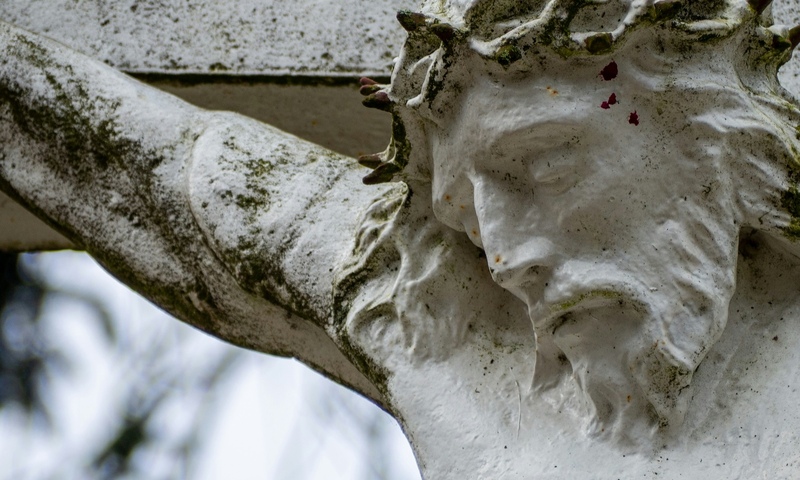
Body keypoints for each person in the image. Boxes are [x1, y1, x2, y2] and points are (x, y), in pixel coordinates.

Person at [4, 0, 800, 477]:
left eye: (548, 164)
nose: (508, 257)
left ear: (704, 127)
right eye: (466, 214)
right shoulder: (449, 344)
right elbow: (162, 171)